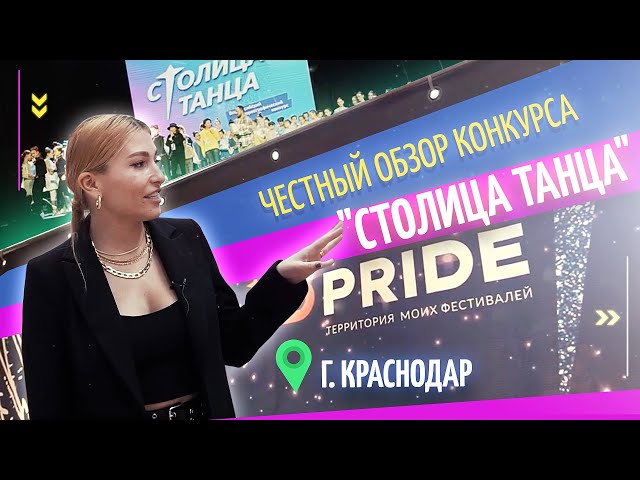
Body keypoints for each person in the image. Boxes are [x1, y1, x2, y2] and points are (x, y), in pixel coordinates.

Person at [22, 114, 343, 420]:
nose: (159, 175)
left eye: (155, 160)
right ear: (91, 183)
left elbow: (234, 344)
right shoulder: (50, 276)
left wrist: (283, 280)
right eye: (138, 164)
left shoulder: (186, 237)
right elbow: (49, 404)